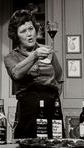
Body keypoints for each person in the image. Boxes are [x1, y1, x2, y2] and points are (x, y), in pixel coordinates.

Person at [4, 9, 64, 139]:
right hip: (28, 112)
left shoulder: (48, 51)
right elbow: (16, 73)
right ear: (16, 35)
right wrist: (35, 56)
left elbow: (59, 78)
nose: (29, 34)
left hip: (52, 110)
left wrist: (51, 99)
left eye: (31, 29)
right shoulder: (11, 57)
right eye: (23, 31)